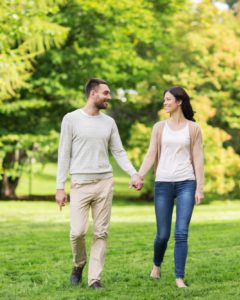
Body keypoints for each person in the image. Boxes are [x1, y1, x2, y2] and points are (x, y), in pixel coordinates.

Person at [55, 78, 143, 289]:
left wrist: (134, 173)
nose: (109, 97)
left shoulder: (109, 122)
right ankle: (78, 264)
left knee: (101, 232)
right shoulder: (71, 119)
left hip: (105, 182)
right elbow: (64, 154)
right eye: (106, 93)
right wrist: (60, 187)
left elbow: (119, 152)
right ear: (93, 93)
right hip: (80, 184)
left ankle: (94, 279)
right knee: (77, 232)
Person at [137, 86, 204, 288]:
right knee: (163, 234)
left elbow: (198, 159)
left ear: (179, 101)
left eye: (168, 99)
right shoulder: (159, 127)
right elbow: (151, 154)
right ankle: (157, 264)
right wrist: (139, 175)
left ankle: (179, 277)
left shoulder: (193, 128)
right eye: (164, 100)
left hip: (186, 182)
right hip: (163, 183)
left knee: (181, 232)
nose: (165, 103)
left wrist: (199, 187)